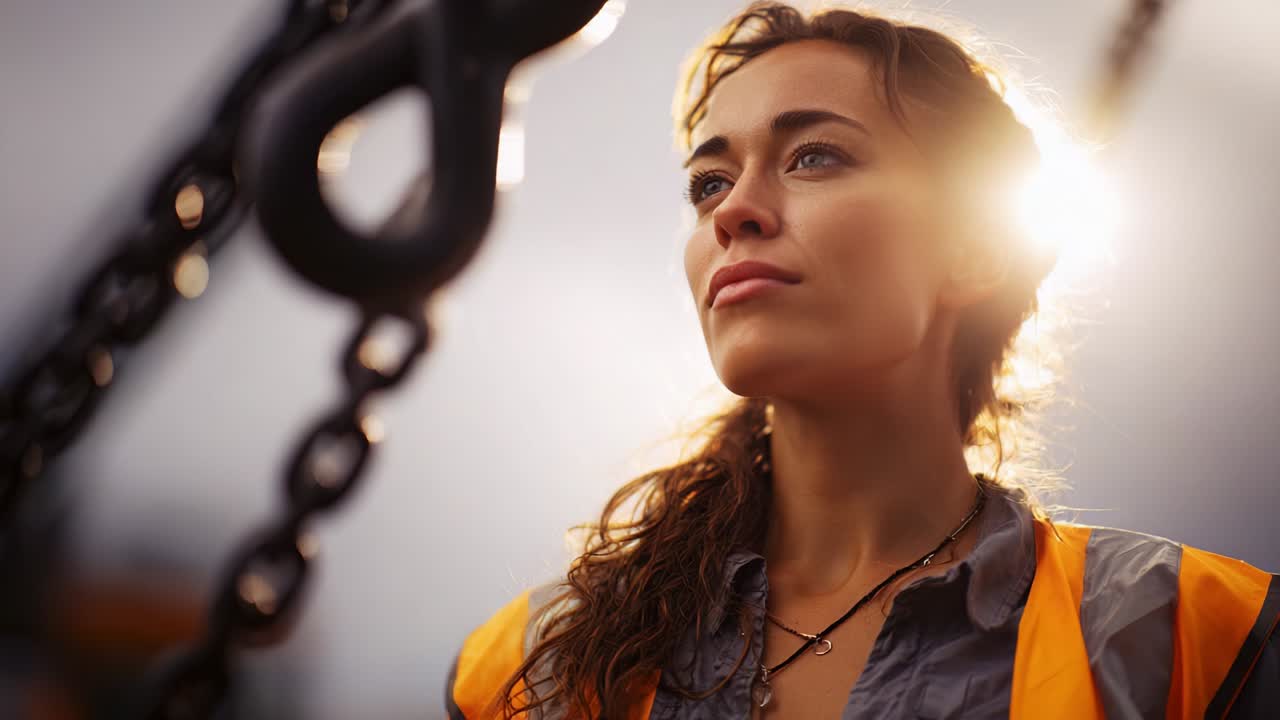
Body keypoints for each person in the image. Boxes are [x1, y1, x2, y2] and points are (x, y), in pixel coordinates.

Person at [444, 2, 1280, 718]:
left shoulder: (1194, 636)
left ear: (976, 247)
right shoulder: (530, 666)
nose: (734, 209)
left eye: (815, 156)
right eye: (708, 183)